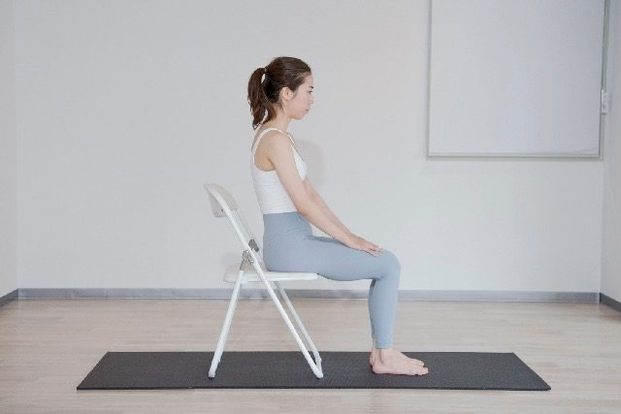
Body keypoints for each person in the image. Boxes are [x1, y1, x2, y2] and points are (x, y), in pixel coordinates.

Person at [247, 56, 428, 376]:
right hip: (291, 250)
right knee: (388, 265)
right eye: (308, 90)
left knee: (384, 262)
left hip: (295, 243)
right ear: (287, 93)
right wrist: (348, 239)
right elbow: (303, 204)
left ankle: (383, 353)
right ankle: (384, 356)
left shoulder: (280, 137)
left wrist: (350, 236)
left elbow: (312, 196)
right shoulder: (274, 140)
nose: (312, 99)